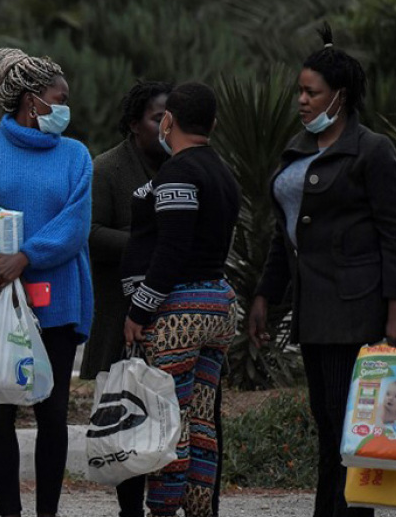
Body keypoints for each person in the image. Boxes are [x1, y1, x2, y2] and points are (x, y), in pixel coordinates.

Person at [249, 26, 396, 517]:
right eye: (299, 91)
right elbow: (284, 234)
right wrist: (263, 298)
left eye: (311, 92)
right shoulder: (296, 150)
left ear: (340, 95)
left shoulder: (371, 150)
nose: (301, 101)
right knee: (330, 425)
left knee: (348, 430)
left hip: (356, 310)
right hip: (312, 313)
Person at [0, 49, 93, 517]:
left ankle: (46, 512)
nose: (67, 107)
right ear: (33, 101)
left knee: (52, 414)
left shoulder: (76, 155)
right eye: (60, 98)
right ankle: (9, 511)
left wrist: (26, 256)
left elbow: (75, 224)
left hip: (57, 300)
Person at [121, 82, 240, 517]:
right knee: (202, 419)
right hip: (218, 305)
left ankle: (166, 508)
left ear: (168, 120)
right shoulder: (222, 172)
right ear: (212, 124)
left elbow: (171, 251)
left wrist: (138, 311)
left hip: (180, 315)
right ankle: (200, 507)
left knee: (169, 420)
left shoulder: (178, 173)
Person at [81, 82, 171, 382]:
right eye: (157, 119)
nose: (166, 127)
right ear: (134, 124)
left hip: (172, 312)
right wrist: (146, 243)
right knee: (118, 413)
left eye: (172, 118)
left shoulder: (183, 165)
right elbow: (89, 233)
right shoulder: (106, 169)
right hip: (118, 310)